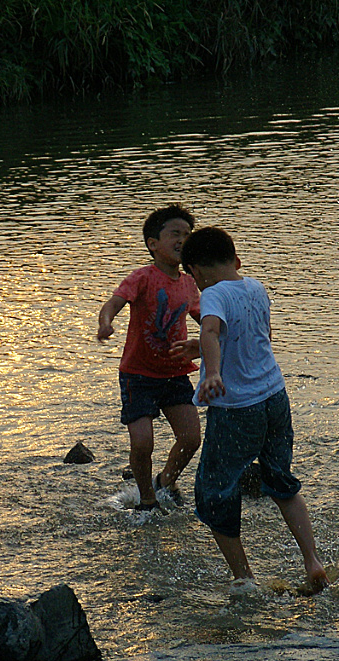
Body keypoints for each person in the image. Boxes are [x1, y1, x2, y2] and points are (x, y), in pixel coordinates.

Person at [178, 226, 329, 595]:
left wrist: (211, 370)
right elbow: (256, 337)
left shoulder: (212, 294)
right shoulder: (256, 288)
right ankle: (312, 561)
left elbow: (213, 330)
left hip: (237, 409)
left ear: (196, 272)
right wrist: (199, 349)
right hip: (275, 397)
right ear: (237, 261)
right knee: (281, 482)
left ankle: (244, 578)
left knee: (213, 492)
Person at [97, 204, 202, 514]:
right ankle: (147, 500)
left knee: (191, 438)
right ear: (153, 244)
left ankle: (166, 480)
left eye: (187, 234)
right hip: (138, 375)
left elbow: (205, 318)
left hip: (174, 373)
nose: (182, 239)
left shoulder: (188, 283)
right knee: (143, 443)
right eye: (175, 234)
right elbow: (114, 302)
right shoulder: (142, 277)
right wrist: (106, 322)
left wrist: (228, 330)